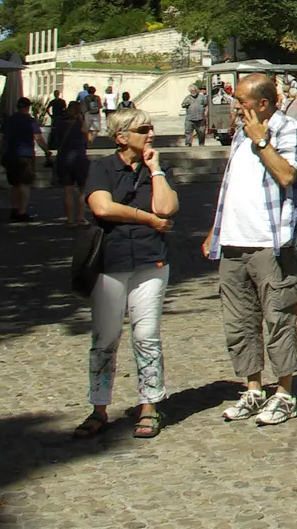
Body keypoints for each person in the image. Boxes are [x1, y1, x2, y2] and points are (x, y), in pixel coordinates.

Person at [202, 73, 297, 427]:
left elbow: (288, 176)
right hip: (233, 241)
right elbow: (233, 185)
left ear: (263, 103)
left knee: (278, 317)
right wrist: (215, 232)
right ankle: (253, 387)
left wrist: (262, 143)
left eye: (242, 101)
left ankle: (284, 393)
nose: (235, 106)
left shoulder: (287, 129)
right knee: (239, 322)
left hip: (268, 242)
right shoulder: (238, 133)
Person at [77, 107, 179, 440]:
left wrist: (156, 169)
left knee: (146, 335)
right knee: (104, 339)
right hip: (110, 261)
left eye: (151, 128)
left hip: (151, 261)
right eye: (144, 129)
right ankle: (99, 407)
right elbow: (102, 207)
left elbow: (166, 208)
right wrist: (146, 219)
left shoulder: (155, 171)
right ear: (122, 137)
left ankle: (150, 404)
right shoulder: (101, 168)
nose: (151, 134)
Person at [0, 96, 46, 222]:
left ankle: (14, 209)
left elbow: (0, 138)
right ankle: (22, 211)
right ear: (27, 107)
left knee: (14, 184)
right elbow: (38, 137)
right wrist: (47, 151)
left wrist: (2, 152)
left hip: (10, 154)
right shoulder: (30, 121)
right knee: (24, 184)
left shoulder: (9, 120)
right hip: (25, 154)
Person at [55, 101, 92, 227]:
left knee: (67, 191)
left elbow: (56, 140)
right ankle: (81, 217)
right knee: (82, 190)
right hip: (80, 159)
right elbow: (88, 140)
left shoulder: (60, 123)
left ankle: (70, 220)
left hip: (64, 159)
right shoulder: (81, 123)